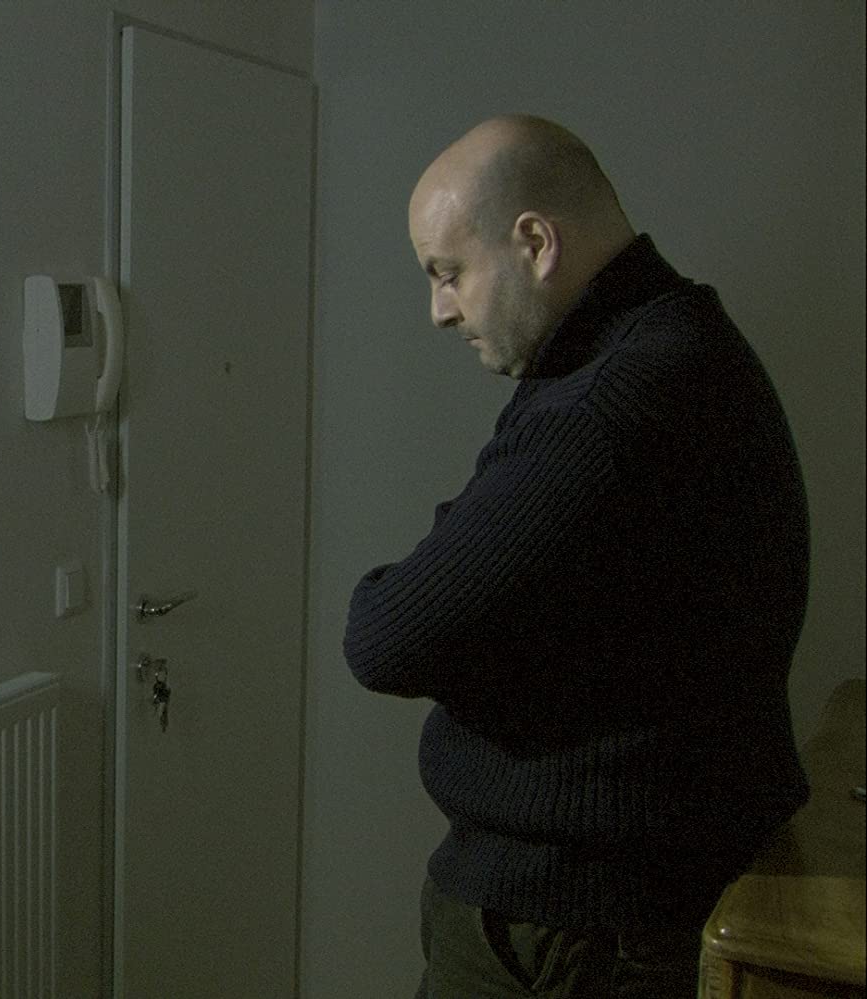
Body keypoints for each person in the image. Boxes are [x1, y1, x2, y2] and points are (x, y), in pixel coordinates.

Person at [343, 115, 810, 997]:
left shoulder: (608, 402)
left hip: (573, 926)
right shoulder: (668, 341)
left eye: (447, 272)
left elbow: (384, 634)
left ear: (534, 243)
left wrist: (439, 578)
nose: (439, 310)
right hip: (623, 905)